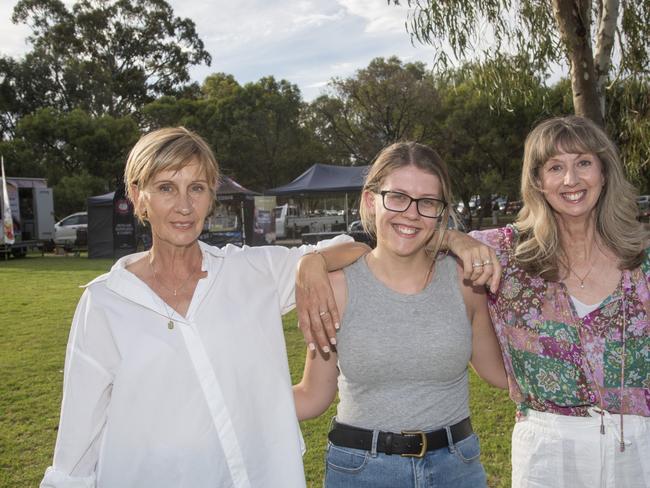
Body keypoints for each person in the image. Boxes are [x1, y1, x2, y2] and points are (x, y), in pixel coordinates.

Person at [40, 127, 370, 488]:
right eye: (167, 188)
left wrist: (312, 262)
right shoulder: (106, 302)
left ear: (211, 196)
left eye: (196, 188)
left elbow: (356, 248)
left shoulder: (251, 272)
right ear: (138, 196)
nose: (184, 206)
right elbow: (77, 440)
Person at [293, 142, 508, 488]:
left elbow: (500, 372)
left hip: (457, 468)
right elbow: (313, 395)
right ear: (369, 200)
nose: (411, 213)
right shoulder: (335, 288)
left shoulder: (466, 282)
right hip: (362, 470)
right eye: (397, 197)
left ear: (441, 211)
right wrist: (227, 406)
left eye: (427, 202)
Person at [468, 115, 650, 487]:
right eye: (555, 167)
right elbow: (418, 241)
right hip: (547, 448)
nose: (571, 180)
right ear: (537, 181)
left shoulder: (642, 258)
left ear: (603, 171)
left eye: (583, 162)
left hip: (639, 443)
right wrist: (457, 241)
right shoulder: (505, 254)